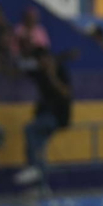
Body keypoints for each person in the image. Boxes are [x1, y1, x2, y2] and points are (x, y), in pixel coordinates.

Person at [15, 47, 71, 187]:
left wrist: (52, 76)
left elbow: (65, 93)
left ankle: (33, 167)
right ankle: (41, 186)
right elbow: (18, 71)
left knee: (30, 130)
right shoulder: (39, 72)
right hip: (42, 115)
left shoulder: (60, 71)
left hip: (56, 117)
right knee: (39, 148)